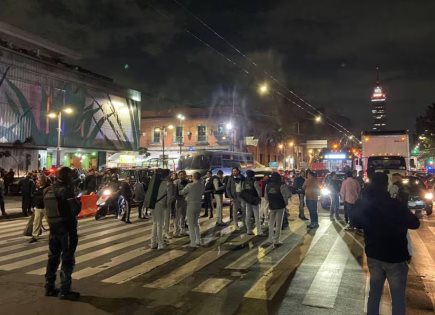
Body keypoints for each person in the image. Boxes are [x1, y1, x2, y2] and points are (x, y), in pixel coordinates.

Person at [353, 172, 419, 315]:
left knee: (374, 293)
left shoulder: (367, 204)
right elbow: (415, 223)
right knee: (397, 297)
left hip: (374, 255)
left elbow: (355, 222)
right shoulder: (395, 204)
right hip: (395, 257)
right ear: (386, 185)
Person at [44, 167, 80, 300]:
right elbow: (75, 210)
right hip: (67, 229)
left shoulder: (48, 190)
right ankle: (65, 290)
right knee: (67, 259)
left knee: (52, 258)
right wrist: (78, 202)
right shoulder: (67, 191)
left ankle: (49, 287)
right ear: (67, 177)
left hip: (53, 229)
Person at [265, 172, 291, 247]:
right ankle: (276, 240)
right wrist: (285, 204)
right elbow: (286, 196)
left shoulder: (267, 185)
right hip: (280, 206)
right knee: (278, 224)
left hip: (272, 206)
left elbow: (266, 197)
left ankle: (270, 239)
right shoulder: (282, 185)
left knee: (271, 223)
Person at [180, 172, 205, 248]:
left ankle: (193, 242)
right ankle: (198, 240)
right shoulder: (202, 185)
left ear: (193, 177)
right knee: (196, 223)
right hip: (199, 204)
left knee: (190, 224)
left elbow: (181, 192)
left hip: (191, 204)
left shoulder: (190, 185)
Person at [150, 169, 173, 250]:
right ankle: (160, 243)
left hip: (152, 204)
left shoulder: (154, 183)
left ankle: (153, 243)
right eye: (170, 174)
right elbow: (169, 198)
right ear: (167, 175)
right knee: (160, 224)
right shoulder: (168, 184)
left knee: (155, 223)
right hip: (160, 205)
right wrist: (167, 205)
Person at [29, 175, 51, 243]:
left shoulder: (48, 188)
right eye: (37, 180)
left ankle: (54, 234)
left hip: (46, 208)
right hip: (38, 208)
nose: (37, 181)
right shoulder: (38, 188)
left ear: (43, 181)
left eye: (39, 180)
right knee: (36, 222)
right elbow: (34, 198)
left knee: (50, 222)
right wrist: (33, 206)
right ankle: (34, 236)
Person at [241, 170, 263, 236]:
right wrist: (259, 198)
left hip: (248, 200)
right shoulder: (255, 182)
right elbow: (259, 192)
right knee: (257, 216)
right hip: (254, 200)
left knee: (248, 216)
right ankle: (259, 232)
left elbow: (243, 191)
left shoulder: (244, 182)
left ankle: (248, 230)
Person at [173, 171, 189, 237]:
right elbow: (174, 193)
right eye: (180, 175)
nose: (182, 176)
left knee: (183, 216)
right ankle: (176, 231)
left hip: (185, 201)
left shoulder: (188, 182)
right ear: (179, 175)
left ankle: (183, 230)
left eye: (183, 175)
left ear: (185, 175)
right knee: (177, 216)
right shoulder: (176, 182)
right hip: (178, 201)